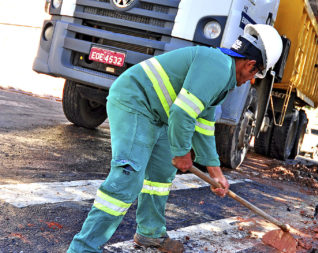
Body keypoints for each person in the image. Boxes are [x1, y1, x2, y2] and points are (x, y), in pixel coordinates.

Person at [67, 24, 282, 253]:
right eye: (255, 74)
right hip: (135, 102)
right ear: (250, 65)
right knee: (128, 176)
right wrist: (181, 152)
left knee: (160, 174)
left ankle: (150, 233)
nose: (251, 81)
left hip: (158, 115)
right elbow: (182, 113)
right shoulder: (218, 68)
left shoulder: (223, 74)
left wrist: (215, 172)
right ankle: (84, 248)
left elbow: (203, 125)